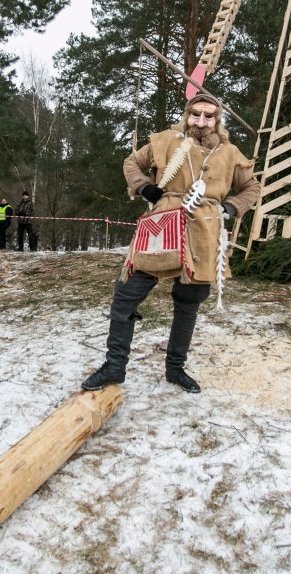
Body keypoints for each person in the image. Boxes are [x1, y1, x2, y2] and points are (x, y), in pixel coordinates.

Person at [81, 93, 260, 393]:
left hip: (205, 232)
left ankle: (175, 369)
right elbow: (131, 163)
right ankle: (114, 367)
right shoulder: (166, 140)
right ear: (188, 115)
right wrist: (145, 188)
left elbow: (251, 187)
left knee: (188, 305)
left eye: (208, 116)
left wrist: (230, 207)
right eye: (196, 114)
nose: (201, 121)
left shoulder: (230, 153)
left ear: (217, 120)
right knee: (126, 295)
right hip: (162, 225)